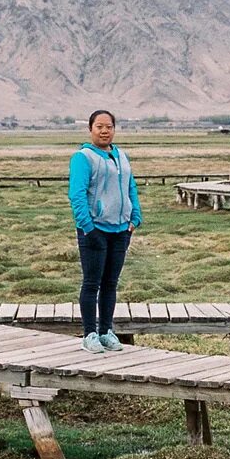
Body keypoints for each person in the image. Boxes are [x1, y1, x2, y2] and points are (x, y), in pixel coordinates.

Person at [68, 109, 141, 352]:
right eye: (99, 126)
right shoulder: (83, 157)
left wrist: (135, 217)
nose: (104, 131)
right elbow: (76, 195)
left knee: (111, 282)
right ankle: (90, 334)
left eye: (108, 126)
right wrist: (88, 227)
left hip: (121, 229)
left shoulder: (121, 156)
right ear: (90, 129)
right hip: (94, 230)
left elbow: (130, 187)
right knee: (92, 282)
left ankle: (106, 331)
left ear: (114, 129)